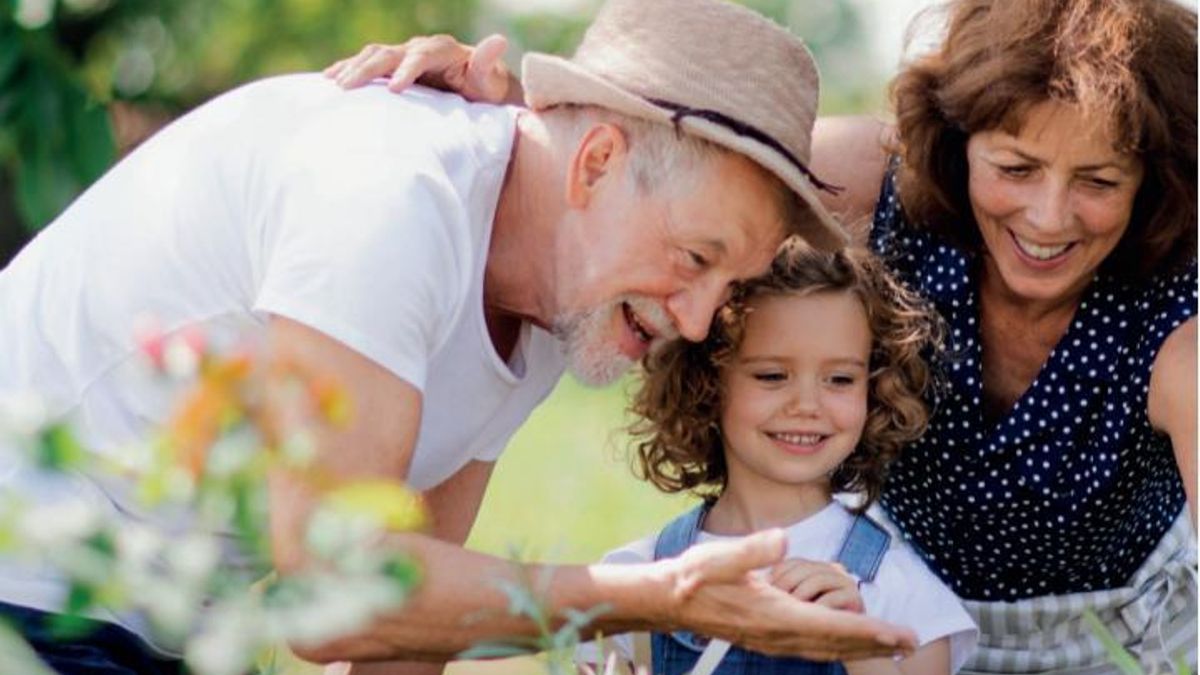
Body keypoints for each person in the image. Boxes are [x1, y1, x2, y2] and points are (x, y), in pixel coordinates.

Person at [0, 0, 924, 673]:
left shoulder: (556, 304)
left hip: (142, 622)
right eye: (694, 258)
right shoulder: (392, 201)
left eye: (725, 292)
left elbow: (402, 634)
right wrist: (653, 596)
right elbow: (333, 590)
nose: (691, 320)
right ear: (597, 162)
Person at [327, 0, 1198, 671]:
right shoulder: (881, 182)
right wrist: (513, 119)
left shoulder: (1178, 320)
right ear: (958, 142)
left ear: (1154, 180)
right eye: (1014, 167)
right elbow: (686, 158)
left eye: (1098, 181)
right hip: (890, 604)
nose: (1047, 216)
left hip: (1109, 639)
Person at [574, 241, 978, 675]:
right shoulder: (636, 578)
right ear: (707, 382)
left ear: (873, 386)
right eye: (771, 375)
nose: (806, 404)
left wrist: (861, 648)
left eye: (840, 379)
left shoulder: (902, 596)